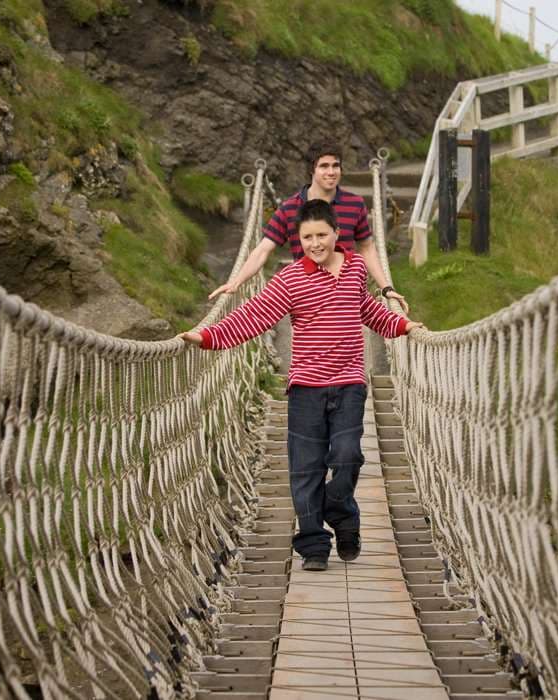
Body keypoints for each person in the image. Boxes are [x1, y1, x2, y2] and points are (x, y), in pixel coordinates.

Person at [181, 199, 424, 571]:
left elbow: (368, 310)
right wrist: (209, 337)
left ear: (336, 234)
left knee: (347, 455)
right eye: (307, 237)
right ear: (298, 239)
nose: (315, 243)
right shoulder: (290, 278)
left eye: (321, 235)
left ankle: (339, 511)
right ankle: (313, 545)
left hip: (349, 383)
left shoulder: (357, 267)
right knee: (306, 467)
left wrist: (403, 325)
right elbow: (254, 316)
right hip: (306, 387)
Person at [208, 141, 411, 313]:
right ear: (312, 170)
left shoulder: (355, 204)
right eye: (324, 166)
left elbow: (367, 247)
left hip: (346, 296)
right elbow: (263, 249)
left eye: (335, 166)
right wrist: (236, 282)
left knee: (347, 352)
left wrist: (386, 288)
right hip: (306, 296)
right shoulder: (290, 209)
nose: (331, 172)